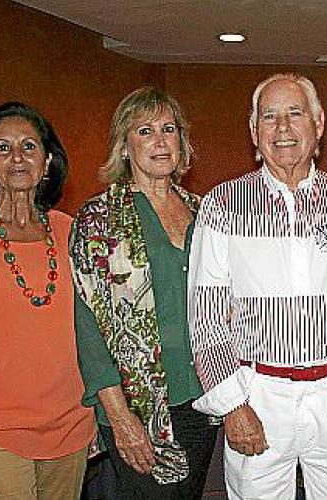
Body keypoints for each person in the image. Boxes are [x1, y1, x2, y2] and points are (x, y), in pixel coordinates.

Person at [188, 73, 327, 500]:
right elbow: (205, 316)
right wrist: (232, 405)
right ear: (253, 130)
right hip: (258, 395)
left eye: (295, 114)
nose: (282, 128)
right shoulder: (222, 204)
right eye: (269, 116)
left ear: (318, 123)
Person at [69, 87, 217, 499]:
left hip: (203, 396)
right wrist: (120, 417)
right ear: (125, 145)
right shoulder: (98, 219)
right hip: (137, 405)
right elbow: (88, 328)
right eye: (145, 131)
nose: (159, 141)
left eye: (168, 129)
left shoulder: (205, 212)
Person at [0, 102, 95, 499]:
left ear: (47, 161)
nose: (17, 157)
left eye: (29, 146)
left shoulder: (71, 232)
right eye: (3, 148)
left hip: (71, 427)